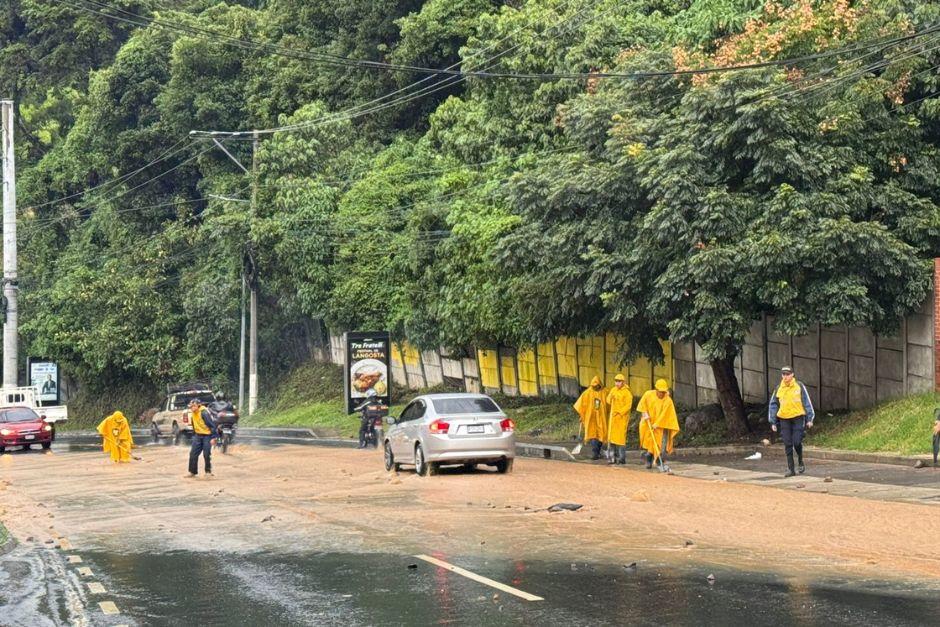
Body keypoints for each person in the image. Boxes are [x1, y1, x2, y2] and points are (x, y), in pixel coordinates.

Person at [768, 366, 815, 477]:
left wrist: (810, 418)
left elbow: (807, 402)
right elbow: (773, 405)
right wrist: (773, 422)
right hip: (784, 418)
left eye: (788, 374)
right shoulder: (778, 388)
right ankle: (791, 469)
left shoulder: (799, 386)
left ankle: (800, 460)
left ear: (792, 374)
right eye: (783, 374)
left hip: (798, 417)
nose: (785, 376)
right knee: (787, 443)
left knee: (797, 442)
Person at [637, 379, 679, 472]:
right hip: (649, 423)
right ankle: (649, 459)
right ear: (656, 389)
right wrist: (644, 413)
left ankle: (659, 461)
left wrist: (657, 424)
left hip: (661, 426)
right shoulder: (648, 394)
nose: (662, 394)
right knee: (650, 443)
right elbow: (642, 406)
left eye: (664, 392)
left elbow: (665, 414)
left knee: (660, 445)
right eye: (660, 392)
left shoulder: (668, 401)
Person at [573, 376, 608, 460]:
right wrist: (582, 416)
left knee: (601, 434)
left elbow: (610, 404)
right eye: (594, 386)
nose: (596, 387)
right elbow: (581, 406)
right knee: (593, 434)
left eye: (597, 386)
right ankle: (595, 453)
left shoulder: (605, 392)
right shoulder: (587, 393)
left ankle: (597, 452)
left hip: (601, 418)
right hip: (591, 418)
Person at [605, 374, 633, 465]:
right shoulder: (613, 390)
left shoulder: (627, 393)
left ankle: (622, 458)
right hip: (613, 419)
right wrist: (611, 397)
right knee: (612, 438)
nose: (617, 383)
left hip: (621, 419)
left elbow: (628, 406)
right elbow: (608, 400)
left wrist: (619, 412)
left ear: (623, 382)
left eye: (619, 381)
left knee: (620, 439)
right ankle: (612, 457)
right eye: (616, 381)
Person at [185, 399, 216, 478]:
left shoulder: (204, 413)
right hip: (198, 436)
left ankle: (208, 471)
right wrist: (194, 435)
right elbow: (194, 425)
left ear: (198, 406)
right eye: (191, 406)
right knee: (193, 454)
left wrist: (213, 438)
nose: (192, 408)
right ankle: (192, 472)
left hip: (207, 436)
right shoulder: (192, 413)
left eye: (193, 406)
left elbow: (212, 426)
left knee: (206, 454)